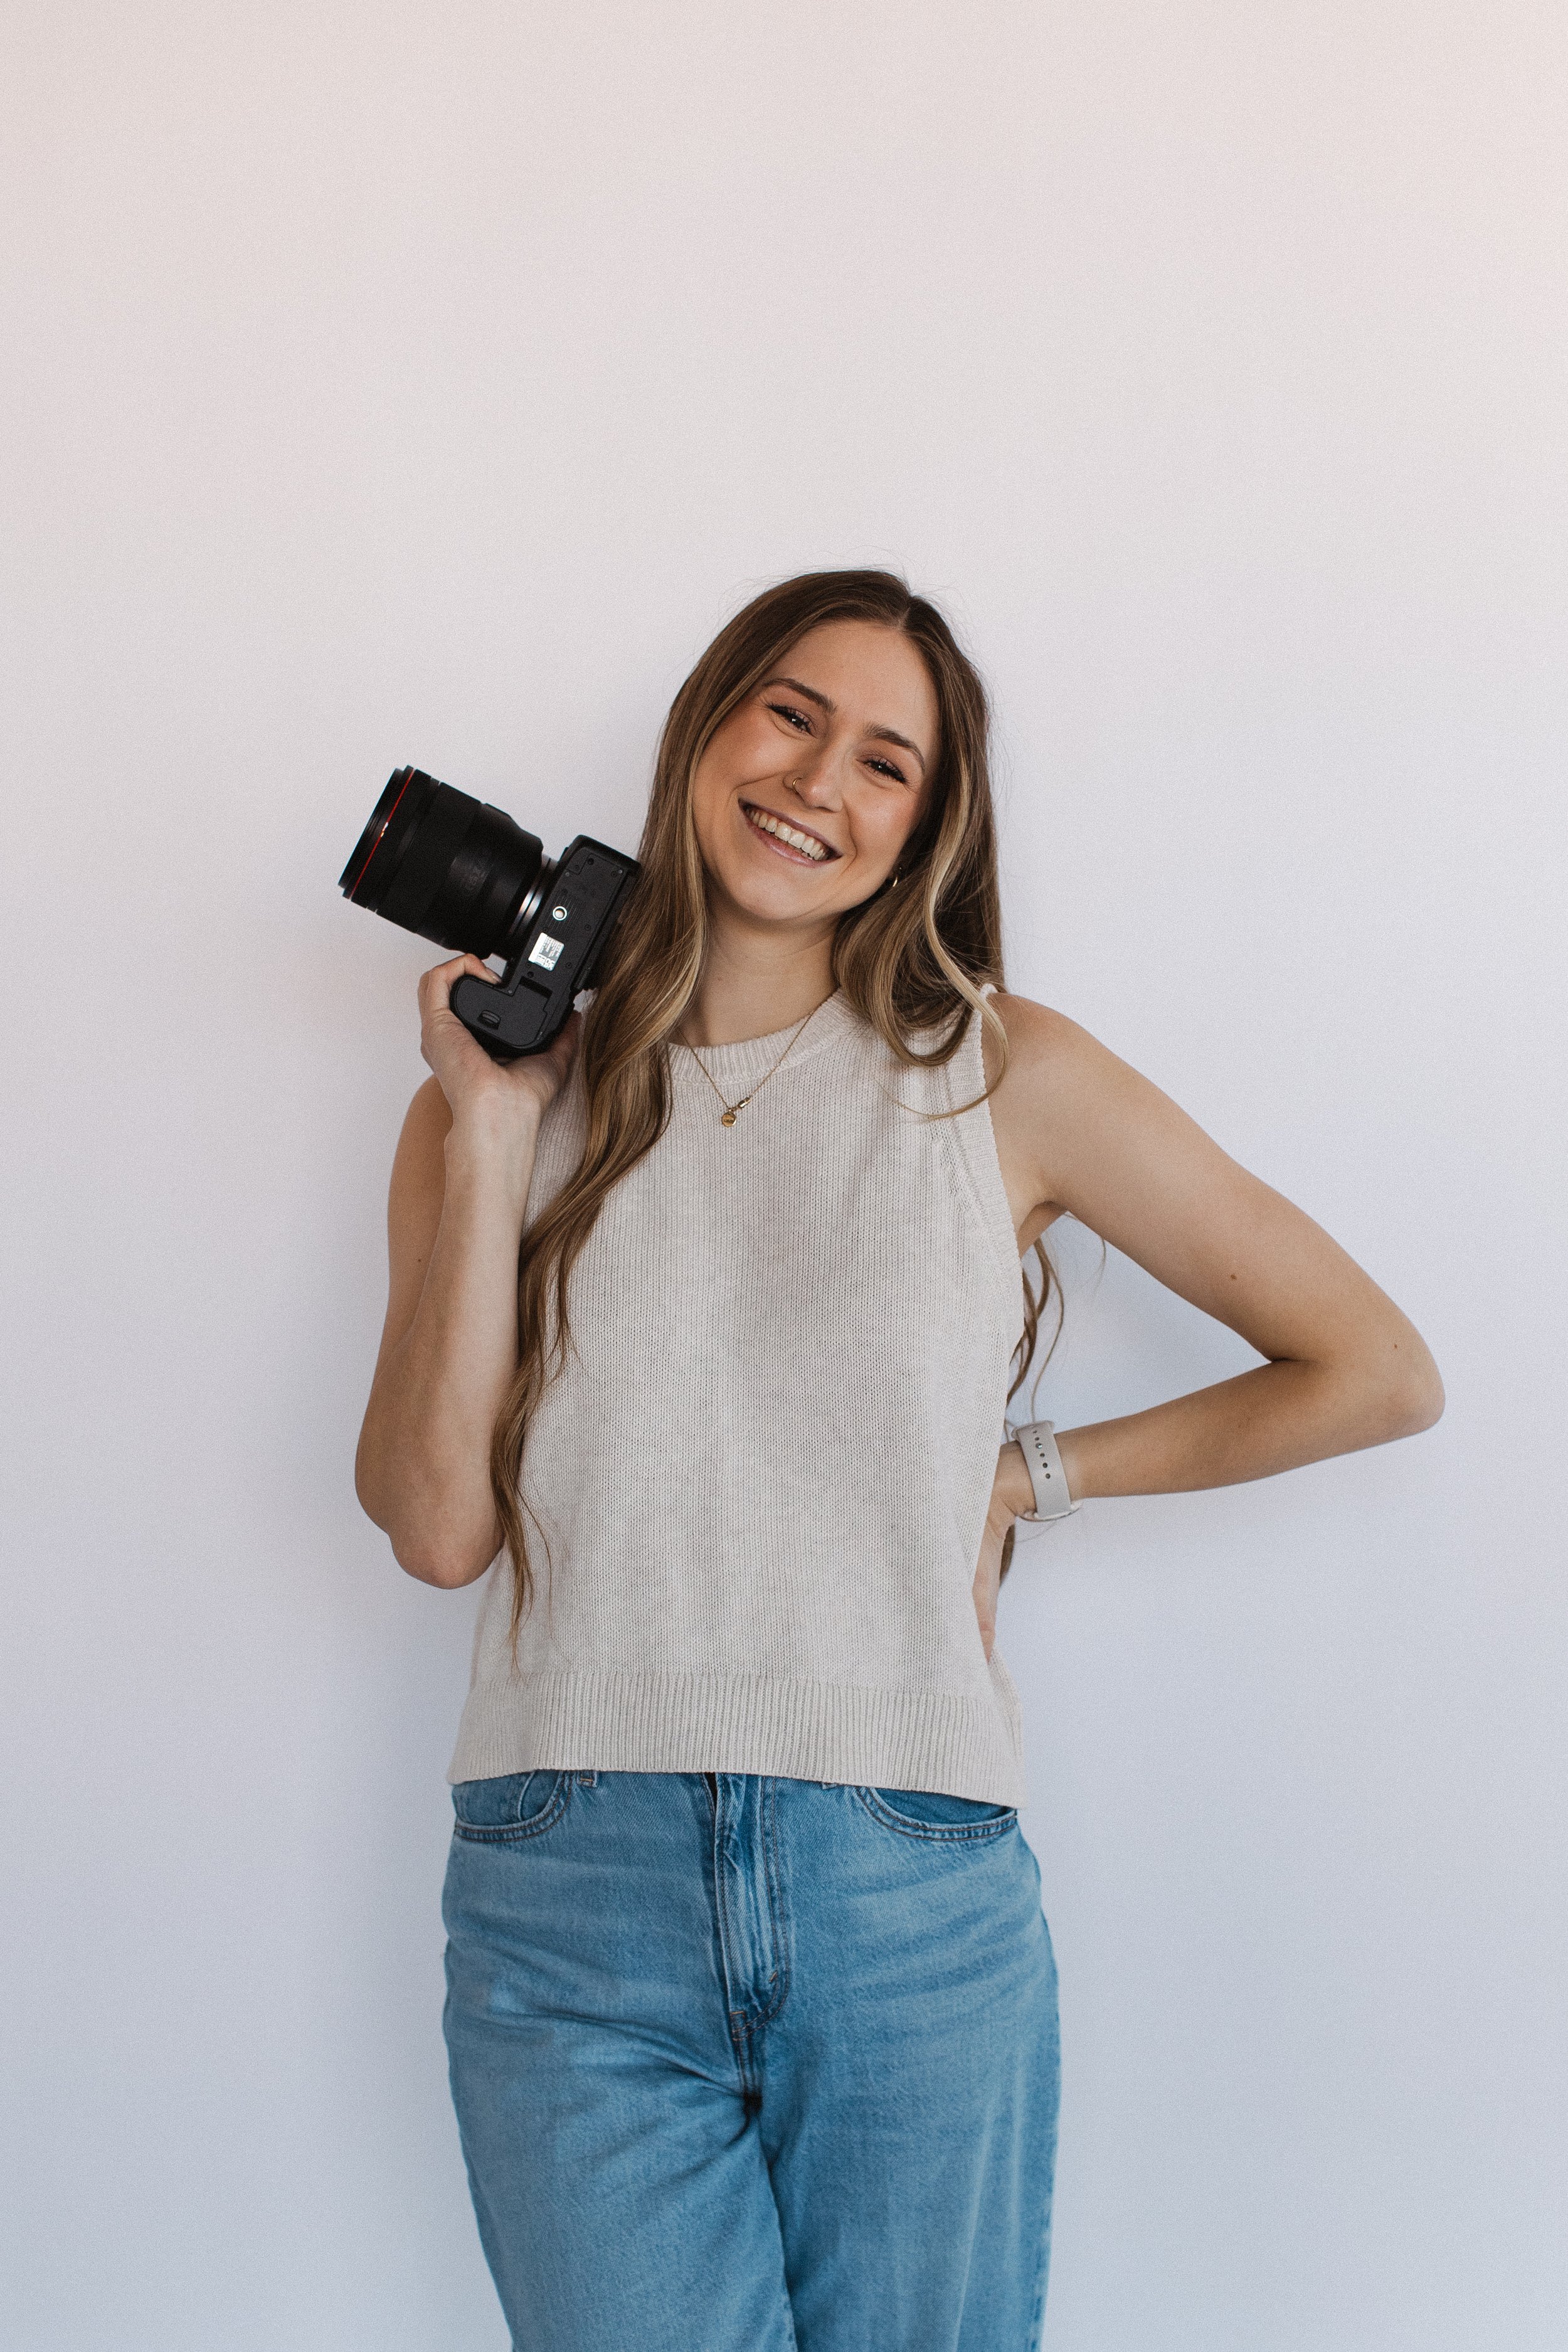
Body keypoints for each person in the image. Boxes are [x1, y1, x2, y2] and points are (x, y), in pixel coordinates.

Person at [351, 569, 1443, 2352]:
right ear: (707, 729)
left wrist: (1020, 1480)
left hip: (900, 1875)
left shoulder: (1004, 1073)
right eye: (787, 714)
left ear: (927, 827)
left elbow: (1372, 1370)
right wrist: (488, 1138)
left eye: (887, 763)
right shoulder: (489, 1102)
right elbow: (435, 1529)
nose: (818, 785)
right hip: (568, 1881)